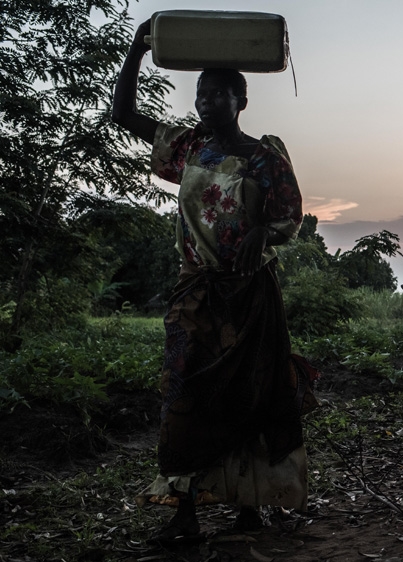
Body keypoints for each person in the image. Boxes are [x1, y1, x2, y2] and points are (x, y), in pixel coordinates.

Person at [112, 19, 317, 543]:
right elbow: (123, 115)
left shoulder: (264, 156)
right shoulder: (188, 149)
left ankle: (249, 505)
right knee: (184, 396)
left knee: (250, 398)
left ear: (240, 98)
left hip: (250, 296)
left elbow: (290, 216)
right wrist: (136, 51)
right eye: (201, 93)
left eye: (219, 93)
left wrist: (262, 236)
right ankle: (184, 510)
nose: (206, 102)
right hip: (197, 292)